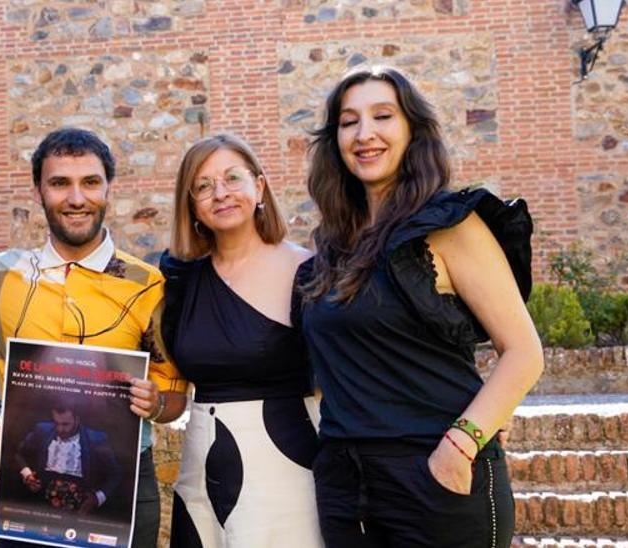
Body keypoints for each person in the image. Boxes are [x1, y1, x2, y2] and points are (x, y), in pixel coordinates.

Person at [299, 65, 542, 547]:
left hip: (435, 477)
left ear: (413, 129)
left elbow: (524, 352)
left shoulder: (450, 226)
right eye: (349, 122)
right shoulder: (332, 246)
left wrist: (460, 445)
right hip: (348, 484)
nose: (365, 134)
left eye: (382, 116)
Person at [0, 127, 188, 547]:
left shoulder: (148, 285)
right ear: (38, 192)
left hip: (122, 483)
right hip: (30, 488)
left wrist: (155, 403)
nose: (76, 198)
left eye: (90, 182)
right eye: (60, 183)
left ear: (108, 189)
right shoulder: (0, 276)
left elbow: (174, 399)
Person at [157, 133, 322, 546]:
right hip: (201, 467)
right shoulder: (181, 279)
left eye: (233, 178)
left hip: (287, 469)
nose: (221, 193)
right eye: (204, 186)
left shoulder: (309, 271)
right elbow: (171, 385)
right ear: (191, 203)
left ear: (259, 186)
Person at [13, 402, 120, 516]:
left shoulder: (96, 439)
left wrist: (96, 498)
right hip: (41, 503)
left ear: (77, 419)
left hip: (80, 510)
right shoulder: (42, 430)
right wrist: (28, 475)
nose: (60, 429)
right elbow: (19, 454)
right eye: (56, 423)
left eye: (65, 424)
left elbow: (115, 474)